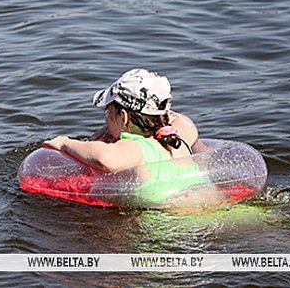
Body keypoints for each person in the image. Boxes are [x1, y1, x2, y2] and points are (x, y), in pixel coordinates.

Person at [43, 69, 213, 205]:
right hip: (210, 210)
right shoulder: (181, 135)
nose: (106, 119)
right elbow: (177, 118)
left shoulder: (136, 148)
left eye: (108, 112)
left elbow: (104, 158)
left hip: (171, 225)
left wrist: (65, 143)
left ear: (123, 117)